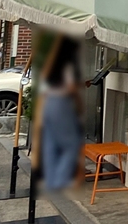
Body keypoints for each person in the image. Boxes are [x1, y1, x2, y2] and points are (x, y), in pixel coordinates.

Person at [39, 37, 85, 191]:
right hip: (61, 103)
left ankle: (51, 180)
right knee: (72, 145)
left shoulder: (51, 64)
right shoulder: (68, 64)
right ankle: (60, 180)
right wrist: (80, 88)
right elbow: (71, 88)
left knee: (51, 144)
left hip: (48, 103)